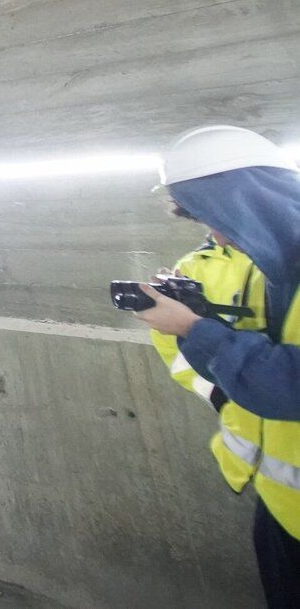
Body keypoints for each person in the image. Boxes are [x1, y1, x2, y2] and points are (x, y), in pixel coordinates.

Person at [130, 125, 300, 607]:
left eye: (217, 218)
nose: (218, 236)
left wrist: (193, 329)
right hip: (281, 504)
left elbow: (291, 384)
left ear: (250, 200)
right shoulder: (278, 268)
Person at [147, 224, 264, 503]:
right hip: (259, 468)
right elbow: (172, 349)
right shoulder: (193, 267)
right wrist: (218, 394)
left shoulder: (281, 260)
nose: (217, 235)